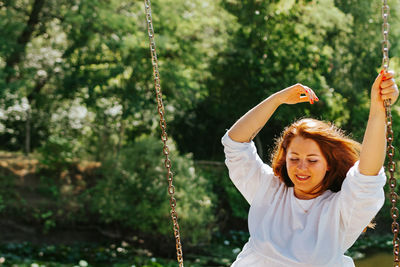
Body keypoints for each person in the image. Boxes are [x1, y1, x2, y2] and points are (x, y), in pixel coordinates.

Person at [222, 70, 398, 266]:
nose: (301, 168)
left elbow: (367, 175)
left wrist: (378, 109)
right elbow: (235, 143)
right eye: (294, 158)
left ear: (329, 164)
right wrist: (276, 100)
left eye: (312, 160)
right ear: (284, 158)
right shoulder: (269, 190)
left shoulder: (340, 208)